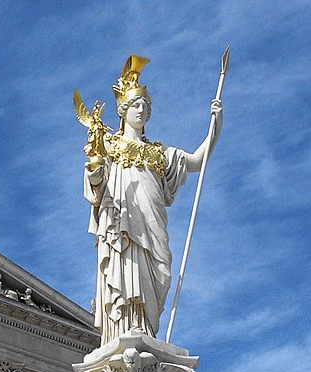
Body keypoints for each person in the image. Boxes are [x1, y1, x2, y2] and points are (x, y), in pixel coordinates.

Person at [79, 55, 223, 344]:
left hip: (152, 221)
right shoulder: (110, 146)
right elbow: (96, 185)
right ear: (123, 111)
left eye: (146, 107)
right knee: (125, 268)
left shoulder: (160, 153)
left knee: (159, 271)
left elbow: (196, 160)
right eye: (136, 106)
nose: (142, 111)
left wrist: (215, 127)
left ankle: (145, 327)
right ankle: (124, 327)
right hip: (121, 222)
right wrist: (95, 166)